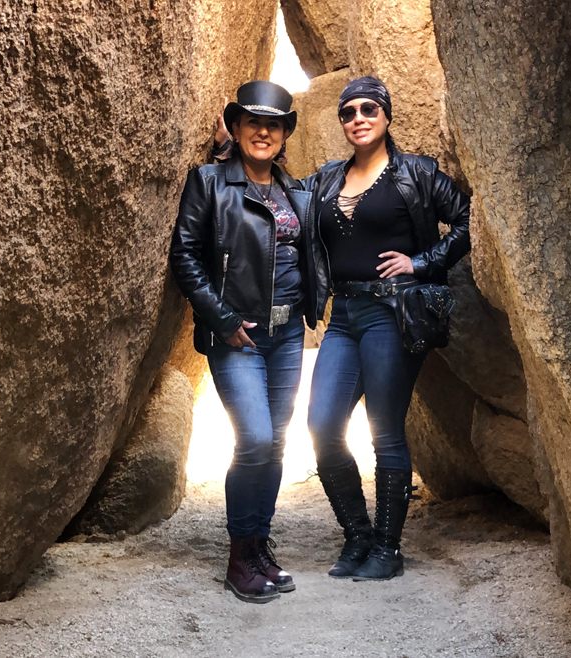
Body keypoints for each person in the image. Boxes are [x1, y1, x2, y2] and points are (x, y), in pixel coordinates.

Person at [305, 77, 470, 581]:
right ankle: (358, 536)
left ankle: (388, 548)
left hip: (392, 315)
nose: (358, 117)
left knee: (385, 430)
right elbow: (283, 206)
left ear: (387, 116)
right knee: (321, 425)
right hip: (344, 316)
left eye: (369, 109)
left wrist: (421, 262)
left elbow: (466, 218)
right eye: (349, 111)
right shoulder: (326, 179)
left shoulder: (415, 173)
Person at [170, 81, 320, 603]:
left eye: (274, 124)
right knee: (254, 438)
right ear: (236, 128)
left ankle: (259, 546)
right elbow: (186, 255)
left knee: (276, 445)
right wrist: (223, 316)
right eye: (253, 122)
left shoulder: (295, 191)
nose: (263, 131)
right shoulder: (209, 182)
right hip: (236, 336)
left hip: (287, 337)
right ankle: (239, 558)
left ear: (284, 135)